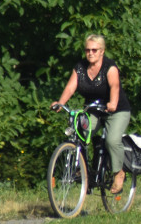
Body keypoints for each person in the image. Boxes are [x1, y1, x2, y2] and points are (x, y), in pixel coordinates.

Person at [52, 34, 131, 194]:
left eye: (94, 50)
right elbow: (70, 87)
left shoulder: (110, 67)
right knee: (81, 133)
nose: (90, 53)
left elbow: (115, 86)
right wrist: (60, 102)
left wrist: (113, 103)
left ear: (102, 51)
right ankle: (83, 170)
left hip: (116, 110)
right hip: (93, 109)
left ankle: (118, 173)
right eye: (87, 50)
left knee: (112, 139)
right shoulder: (80, 67)